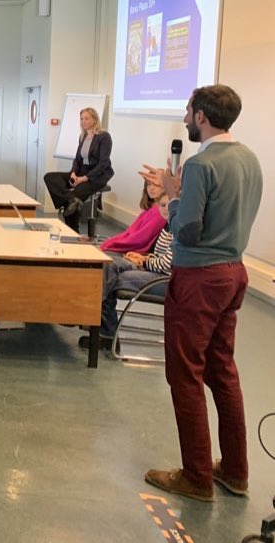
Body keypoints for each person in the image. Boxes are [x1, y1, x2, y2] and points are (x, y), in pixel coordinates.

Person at [142, 85, 262, 503]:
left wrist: (173, 197)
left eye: (189, 111)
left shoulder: (200, 165)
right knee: (222, 371)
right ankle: (234, 470)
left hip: (198, 280)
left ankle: (196, 476)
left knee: (185, 373)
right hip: (233, 273)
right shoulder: (250, 159)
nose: (185, 116)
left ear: (203, 117)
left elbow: (187, 229)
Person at [81, 194, 172, 351]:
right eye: (162, 205)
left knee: (110, 275)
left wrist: (144, 261)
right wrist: (145, 257)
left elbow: (167, 263)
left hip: (164, 279)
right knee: (108, 266)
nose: (164, 209)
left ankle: (94, 319)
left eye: (168, 206)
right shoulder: (168, 226)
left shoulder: (179, 229)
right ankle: (103, 329)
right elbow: (159, 256)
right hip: (152, 268)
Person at [42, 107, 113, 232]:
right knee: (50, 177)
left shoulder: (104, 137)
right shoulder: (83, 136)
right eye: (81, 119)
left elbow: (103, 163)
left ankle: (73, 229)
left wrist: (83, 179)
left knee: (75, 195)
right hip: (81, 172)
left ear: (95, 120)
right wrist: (74, 173)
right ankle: (70, 200)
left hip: (97, 175)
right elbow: (77, 159)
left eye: (87, 118)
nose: (83, 121)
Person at [98, 175, 167, 255]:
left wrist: (110, 245)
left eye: (156, 185)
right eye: (148, 184)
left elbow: (139, 239)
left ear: (165, 188)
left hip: (137, 251)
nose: (151, 188)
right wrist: (109, 242)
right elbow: (129, 233)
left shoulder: (160, 212)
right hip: (131, 244)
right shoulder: (149, 210)